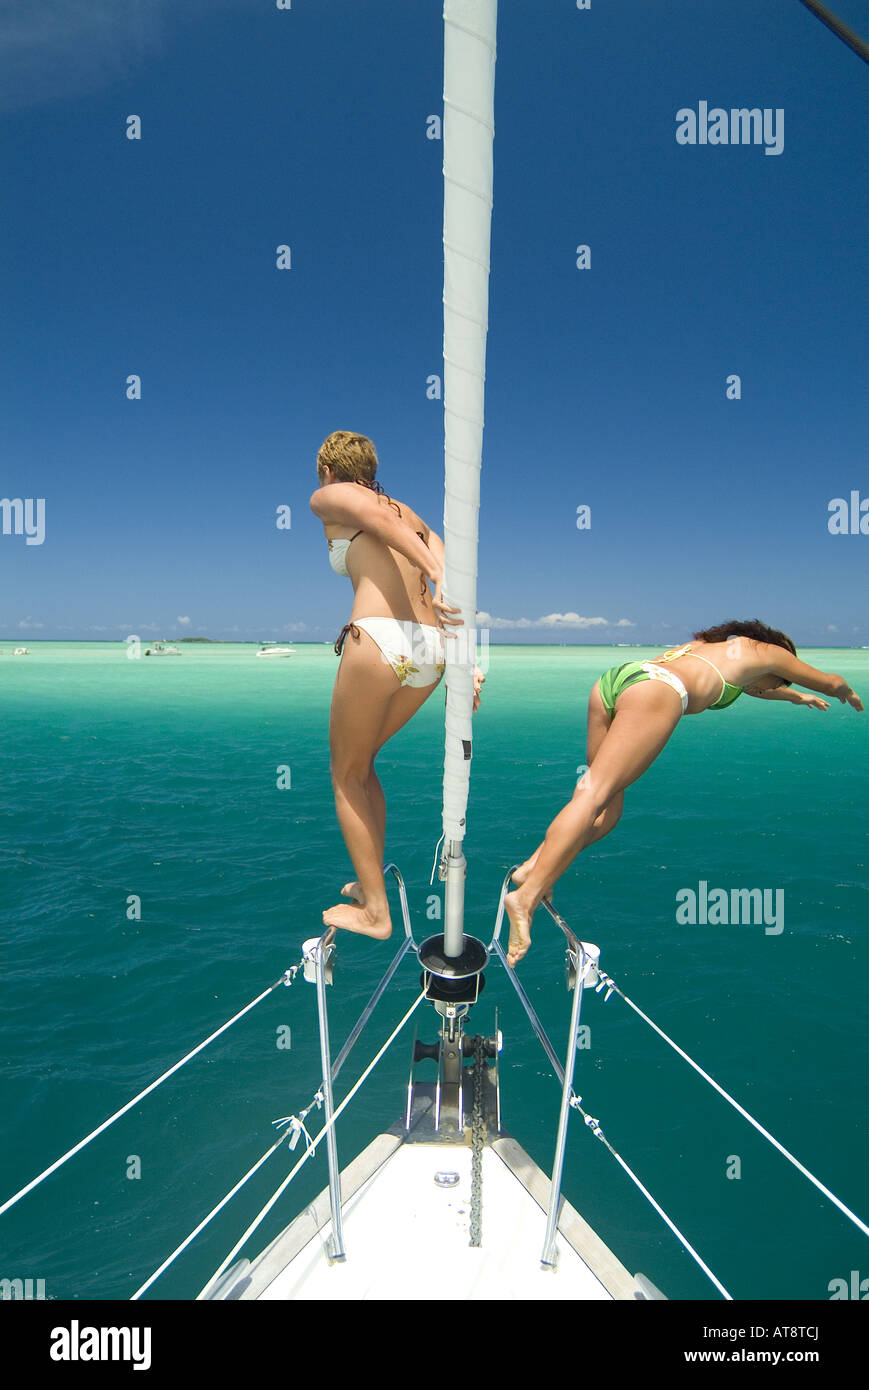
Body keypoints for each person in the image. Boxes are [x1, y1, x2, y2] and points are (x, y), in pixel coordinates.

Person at [504, 620, 863, 966]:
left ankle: (535, 869)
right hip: (659, 690)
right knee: (595, 796)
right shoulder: (768, 650)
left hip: (618, 681)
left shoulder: (712, 649)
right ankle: (526, 898)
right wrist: (843, 691)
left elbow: (757, 688)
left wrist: (795, 698)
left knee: (605, 810)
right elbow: (829, 680)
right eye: (781, 678)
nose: (775, 684)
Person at [310, 430, 482, 939]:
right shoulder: (411, 513)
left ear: (327, 469)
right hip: (432, 652)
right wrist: (468, 659)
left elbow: (380, 524)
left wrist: (436, 575)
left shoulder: (330, 495)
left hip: (380, 643)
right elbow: (458, 568)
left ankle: (376, 913)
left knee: (345, 773)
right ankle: (370, 887)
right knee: (363, 765)